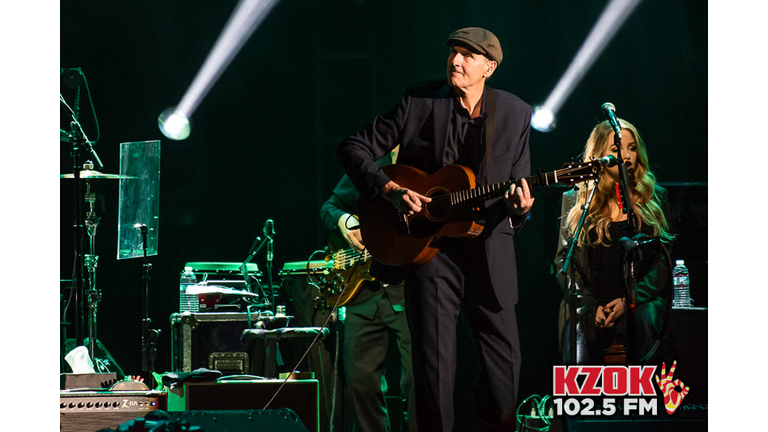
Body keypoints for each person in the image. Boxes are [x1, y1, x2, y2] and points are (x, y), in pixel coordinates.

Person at [336, 27, 534, 432]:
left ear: (489, 68)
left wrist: (520, 210)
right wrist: (390, 190)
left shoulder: (516, 112)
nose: (455, 61)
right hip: (430, 252)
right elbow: (352, 148)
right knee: (433, 380)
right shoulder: (420, 101)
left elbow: (519, 188)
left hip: (488, 254)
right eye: (453, 53)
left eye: (467, 55)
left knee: (504, 386)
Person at [554, 118, 674, 365]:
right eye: (616, 149)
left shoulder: (655, 197)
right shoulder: (574, 200)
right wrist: (590, 305)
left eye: (632, 148)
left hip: (639, 302)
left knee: (647, 325)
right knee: (577, 363)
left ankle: (647, 389)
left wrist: (629, 301)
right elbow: (564, 262)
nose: (626, 156)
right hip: (589, 304)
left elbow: (662, 263)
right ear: (599, 155)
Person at [320, 148, 416, 432]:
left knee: (417, 383)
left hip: (409, 290)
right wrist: (344, 222)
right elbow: (329, 207)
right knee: (360, 384)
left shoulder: (426, 162)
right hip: (364, 293)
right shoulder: (372, 164)